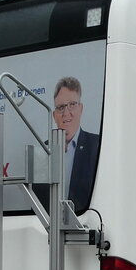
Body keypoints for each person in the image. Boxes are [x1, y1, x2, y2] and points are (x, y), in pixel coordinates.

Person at [50, 76, 101, 212]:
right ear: (54, 115)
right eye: (61, 107)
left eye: (72, 105)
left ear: (81, 109)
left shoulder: (97, 146)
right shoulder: (43, 150)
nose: (66, 113)